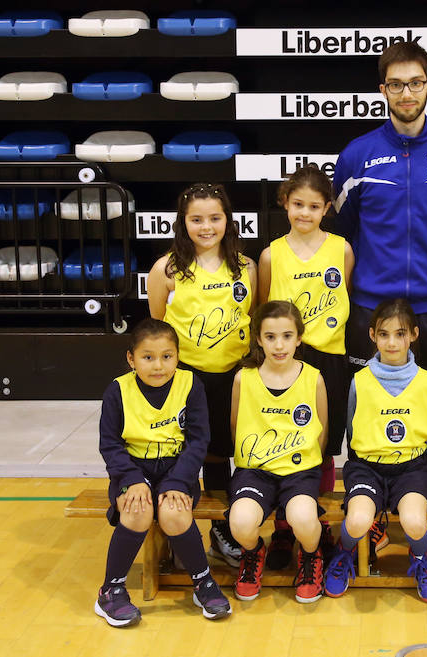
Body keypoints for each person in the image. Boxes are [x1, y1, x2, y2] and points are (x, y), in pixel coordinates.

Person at [333, 40, 427, 565]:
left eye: (416, 82)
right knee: (366, 409)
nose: (407, 92)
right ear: (382, 90)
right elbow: (347, 231)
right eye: (396, 83)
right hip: (372, 307)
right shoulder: (357, 155)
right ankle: (366, 517)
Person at [147, 182, 256, 567]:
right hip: (190, 379)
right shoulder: (167, 269)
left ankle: (232, 529)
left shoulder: (246, 266)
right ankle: (187, 532)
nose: (206, 226)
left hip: (237, 375)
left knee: (238, 452)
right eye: (197, 219)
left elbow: (251, 319)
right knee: (200, 454)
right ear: (183, 223)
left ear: (227, 220)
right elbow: (158, 328)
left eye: (214, 217)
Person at [95, 318, 231, 627]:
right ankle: (110, 590)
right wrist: (131, 480)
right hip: (132, 469)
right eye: (148, 357)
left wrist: (178, 481)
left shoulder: (189, 384)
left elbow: (198, 441)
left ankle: (203, 583)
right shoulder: (117, 391)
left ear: (177, 356)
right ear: (131, 359)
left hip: (176, 468)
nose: (158, 365)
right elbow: (110, 445)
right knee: (138, 510)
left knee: (174, 512)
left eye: (167, 356)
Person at [257, 164, 354, 569]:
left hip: (328, 358)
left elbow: (346, 292)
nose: (305, 213)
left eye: (314, 206)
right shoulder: (270, 254)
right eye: (298, 204)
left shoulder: (342, 249)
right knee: (284, 435)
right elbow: (262, 308)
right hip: (283, 358)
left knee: (324, 443)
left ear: (327, 208)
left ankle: (319, 520)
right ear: (285, 203)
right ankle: (283, 527)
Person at [323, 299, 427, 603]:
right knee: (357, 520)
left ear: (414, 335)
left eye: (400, 333)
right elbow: (353, 428)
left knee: (415, 522)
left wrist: (405, 454)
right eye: (384, 334)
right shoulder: (359, 381)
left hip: (411, 467)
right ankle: (344, 553)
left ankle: (421, 561)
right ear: (372, 336)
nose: (392, 342)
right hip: (367, 467)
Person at [228, 301, 329, 604]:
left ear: (299, 338)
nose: (279, 344)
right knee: (241, 522)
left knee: (303, 518)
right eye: (270, 337)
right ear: (258, 338)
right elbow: (235, 427)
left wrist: (301, 460)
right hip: (256, 471)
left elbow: (321, 431)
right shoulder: (243, 379)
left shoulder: (314, 377)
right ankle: (253, 551)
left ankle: (311, 556)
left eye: (287, 336)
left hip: (299, 471)